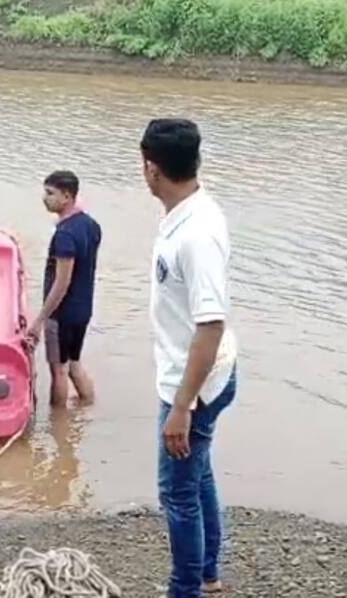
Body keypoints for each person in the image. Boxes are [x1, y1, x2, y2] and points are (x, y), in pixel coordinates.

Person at [141, 118, 238, 598]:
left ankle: (186, 589)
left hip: (194, 384)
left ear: (151, 169)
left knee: (177, 493)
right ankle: (208, 574)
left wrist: (182, 407)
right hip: (197, 375)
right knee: (197, 475)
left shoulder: (196, 234)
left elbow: (211, 324)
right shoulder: (187, 210)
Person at [25, 170, 101, 407]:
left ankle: (59, 426)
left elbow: (62, 281)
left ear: (67, 197)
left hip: (62, 314)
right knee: (74, 364)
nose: (44, 198)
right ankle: (85, 412)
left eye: (50, 193)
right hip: (83, 308)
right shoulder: (91, 225)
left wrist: (39, 320)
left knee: (58, 370)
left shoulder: (65, 235)